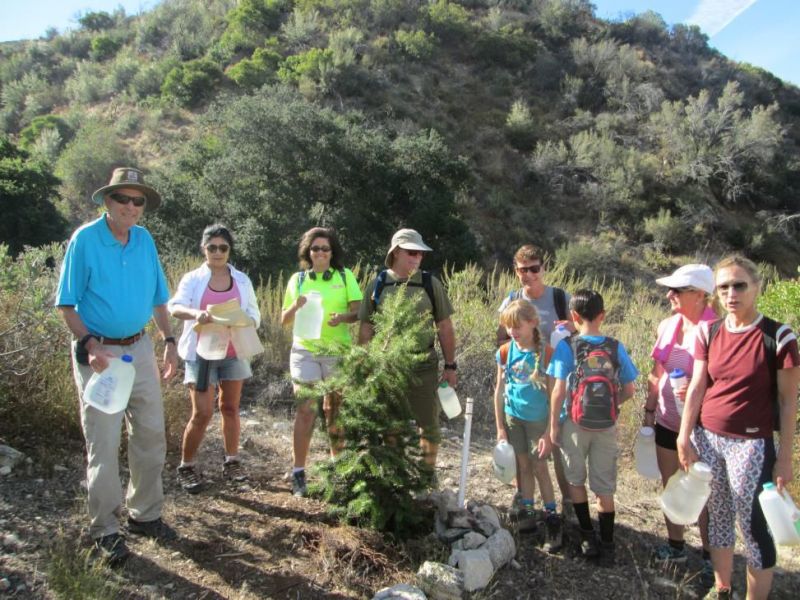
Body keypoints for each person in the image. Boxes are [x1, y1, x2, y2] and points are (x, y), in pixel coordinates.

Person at [55, 167, 178, 566]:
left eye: (137, 200)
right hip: (101, 355)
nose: (130, 206)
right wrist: (89, 345)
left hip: (139, 350)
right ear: (107, 201)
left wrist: (169, 341)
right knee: (104, 444)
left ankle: (145, 515)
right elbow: (67, 304)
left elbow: (160, 298)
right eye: (122, 199)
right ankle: (105, 530)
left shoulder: (144, 240)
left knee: (150, 433)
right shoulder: (85, 241)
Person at [677, 256, 800, 600]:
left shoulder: (779, 336)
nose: (732, 293)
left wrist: (784, 459)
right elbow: (699, 385)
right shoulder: (709, 331)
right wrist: (684, 435)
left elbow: (789, 402)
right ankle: (723, 589)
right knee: (717, 519)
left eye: (740, 285)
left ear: (757, 287)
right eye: (724, 287)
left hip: (752, 445)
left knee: (754, 527)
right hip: (709, 438)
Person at [168, 224, 261, 493]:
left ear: (229, 250)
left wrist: (245, 320)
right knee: (203, 412)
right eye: (212, 247)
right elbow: (174, 307)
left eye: (223, 248)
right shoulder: (192, 279)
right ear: (203, 249)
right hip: (201, 353)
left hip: (234, 351)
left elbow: (255, 314)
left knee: (231, 408)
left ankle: (232, 461)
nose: (217, 252)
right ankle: (186, 466)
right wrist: (196, 314)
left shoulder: (242, 280)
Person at [547, 289, 638, 562]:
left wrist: (553, 425)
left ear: (573, 316)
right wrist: (613, 406)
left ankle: (588, 538)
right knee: (604, 487)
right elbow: (630, 389)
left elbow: (558, 391)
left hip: (574, 424)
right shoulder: (614, 346)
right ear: (603, 316)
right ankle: (608, 544)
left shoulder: (567, 346)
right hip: (605, 426)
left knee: (576, 480)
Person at [358, 228, 456, 468]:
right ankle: (394, 473)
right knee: (390, 424)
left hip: (423, 364)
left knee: (429, 425)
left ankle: (426, 475)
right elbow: (366, 329)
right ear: (396, 252)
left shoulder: (430, 284)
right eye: (412, 252)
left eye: (421, 254)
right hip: (388, 365)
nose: (417, 258)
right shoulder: (377, 285)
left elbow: (444, 326)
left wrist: (450, 365)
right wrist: (363, 363)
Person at [644, 264, 717, 575]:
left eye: (677, 290)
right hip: (666, 419)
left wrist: (701, 389)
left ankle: (712, 555)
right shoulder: (668, 326)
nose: (669, 294)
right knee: (671, 483)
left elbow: (725, 381)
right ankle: (675, 547)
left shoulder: (717, 330)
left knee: (704, 492)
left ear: (700, 295)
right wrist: (648, 410)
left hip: (704, 426)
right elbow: (657, 373)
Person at [281, 227, 363, 497]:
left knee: (335, 411)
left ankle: (338, 469)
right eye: (315, 248)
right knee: (306, 409)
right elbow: (284, 319)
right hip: (304, 350)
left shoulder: (345, 275)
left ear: (332, 252)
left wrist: (342, 318)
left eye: (325, 249)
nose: (319, 253)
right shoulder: (299, 279)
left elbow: (358, 311)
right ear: (308, 251)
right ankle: (298, 472)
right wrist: (296, 306)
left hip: (337, 351)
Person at [494, 300, 562, 552]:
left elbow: (555, 396)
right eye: (509, 327)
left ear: (533, 323)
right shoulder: (504, 352)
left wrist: (548, 432)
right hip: (513, 418)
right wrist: (500, 427)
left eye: (518, 326)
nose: (513, 332)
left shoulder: (546, 354)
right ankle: (528, 513)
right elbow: (499, 391)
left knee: (540, 468)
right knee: (523, 467)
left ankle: (553, 518)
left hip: (538, 422)